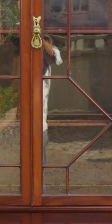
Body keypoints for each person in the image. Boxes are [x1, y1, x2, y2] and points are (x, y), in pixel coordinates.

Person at [42, 34, 62, 166]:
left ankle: (39, 185)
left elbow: (55, 57)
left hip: (38, 103)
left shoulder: (45, 48)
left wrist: (41, 40)